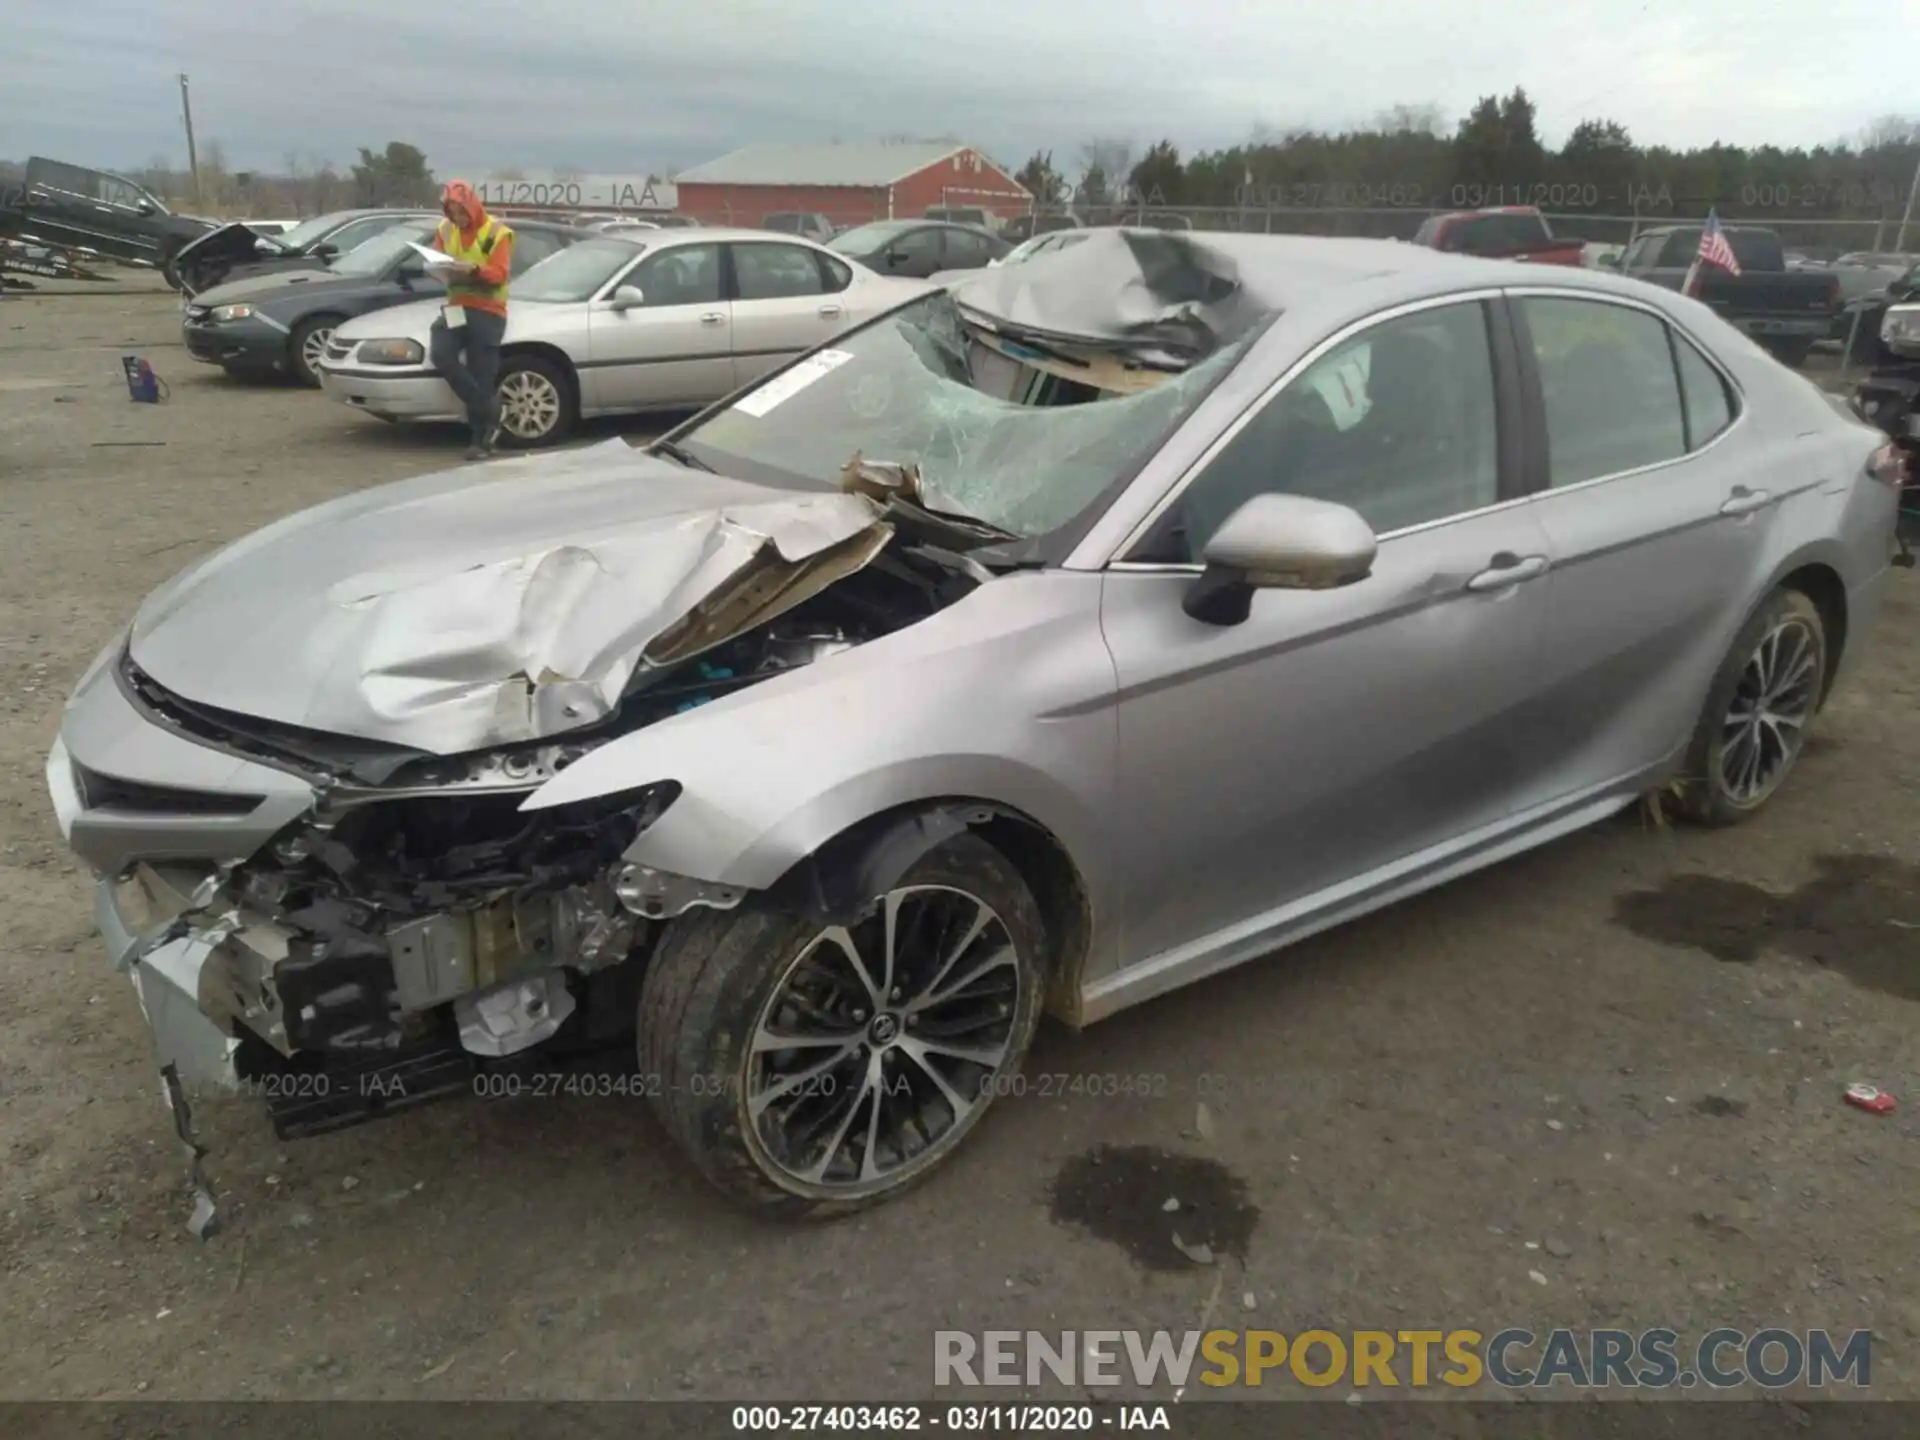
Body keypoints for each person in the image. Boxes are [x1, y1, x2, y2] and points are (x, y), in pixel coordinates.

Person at [427, 180, 515, 460]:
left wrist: (475, 269)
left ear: (472, 206)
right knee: (442, 353)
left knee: (482, 371)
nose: (456, 217)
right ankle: (488, 407)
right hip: (456, 307)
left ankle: (481, 441)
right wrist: (439, 269)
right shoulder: (444, 230)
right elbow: (436, 260)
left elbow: (500, 273)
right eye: (451, 211)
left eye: (460, 211)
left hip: (488, 310)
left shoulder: (497, 232)